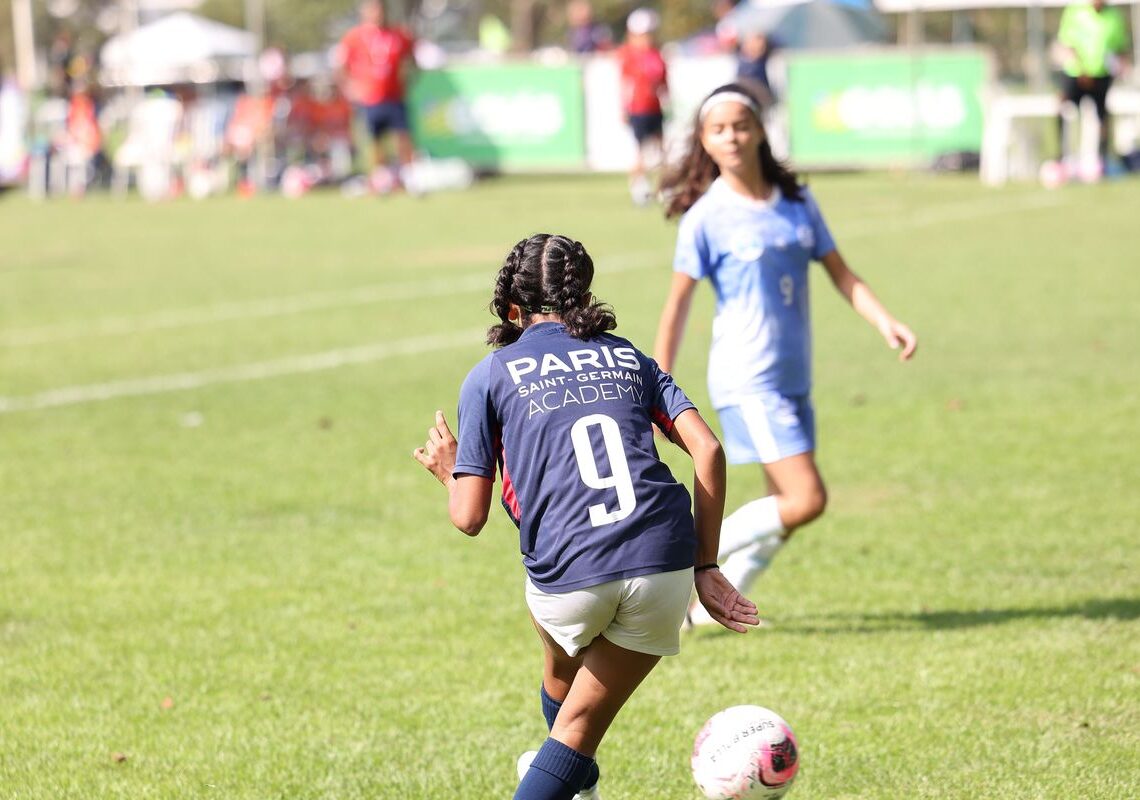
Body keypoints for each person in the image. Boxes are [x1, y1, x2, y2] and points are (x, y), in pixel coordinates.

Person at [414, 234, 758, 800]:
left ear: (515, 309)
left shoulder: (491, 373)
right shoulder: (628, 356)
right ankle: (578, 786)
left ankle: (569, 782)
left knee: (570, 725)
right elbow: (709, 452)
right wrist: (707, 564)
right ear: (582, 298)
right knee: (565, 694)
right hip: (663, 562)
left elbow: (468, 516)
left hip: (568, 573)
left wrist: (451, 469)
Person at [654, 84, 918, 627]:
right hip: (747, 377)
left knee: (786, 512)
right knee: (806, 499)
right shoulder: (706, 216)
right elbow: (677, 304)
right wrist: (657, 385)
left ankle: (711, 613)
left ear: (759, 131)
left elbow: (841, 273)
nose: (731, 136)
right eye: (718, 129)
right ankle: (677, 565)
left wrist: (884, 319)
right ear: (704, 140)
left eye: (740, 125)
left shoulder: (797, 201)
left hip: (794, 376)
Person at [334, 0, 416, 191]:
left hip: (394, 97)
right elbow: (340, 67)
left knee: (402, 138)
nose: (375, 14)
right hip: (369, 99)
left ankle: (410, 178)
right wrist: (350, 88)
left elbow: (412, 61)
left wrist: (408, 80)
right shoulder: (354, 37)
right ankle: (380, 180)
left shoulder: (398, 35)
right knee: (374, 141)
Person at [1054, 0, 1131, 164]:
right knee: (1063, 107)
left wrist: (1122, 65)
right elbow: (1068, 43)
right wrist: (1082, 70)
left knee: (1102, 116)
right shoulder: (1074, 11)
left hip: (1101, 75)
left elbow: (1119, 47)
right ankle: (1062, 155)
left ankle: (1101, 158)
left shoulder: (1115, 16)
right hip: (1076, 73)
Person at [618, 8, 668, 207]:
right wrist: (623, 108)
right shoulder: (629, 56)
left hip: (655, 108)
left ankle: (665, 188)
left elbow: (664, 82)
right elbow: (624, 85)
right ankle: (639, 188)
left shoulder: (657, 54)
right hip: (638, 109)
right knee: (639, 151)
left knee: (662, 151)